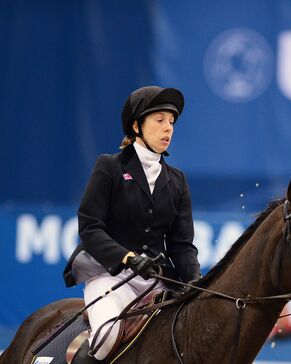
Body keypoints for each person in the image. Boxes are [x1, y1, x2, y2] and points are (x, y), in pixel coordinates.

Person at [63, 86, 201, 363]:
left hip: (158, 281)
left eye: (171, 122)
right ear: (136, 126)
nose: (168, 129)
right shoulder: (110, 167)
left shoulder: (177, 180)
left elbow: (182, 245)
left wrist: (195, 284)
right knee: (106, 337)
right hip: (110, 277)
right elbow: (90, 227)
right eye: (159, 120)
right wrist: (127, 258)